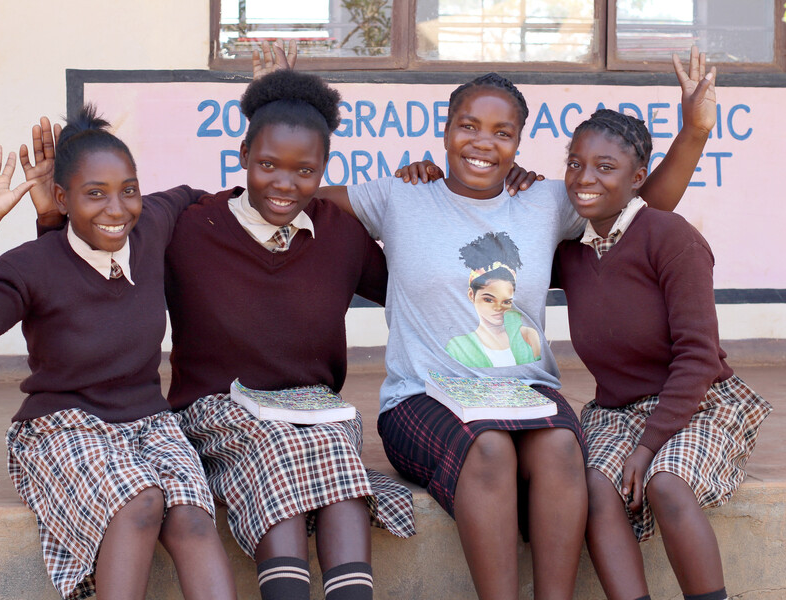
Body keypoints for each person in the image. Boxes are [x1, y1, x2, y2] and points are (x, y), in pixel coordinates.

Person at [306, 48, 718, 600]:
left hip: (526, 392)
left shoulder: (545, 200)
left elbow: (640, 205)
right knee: (492, 449)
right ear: (446, 130)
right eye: (469, 126)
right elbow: (294, 197)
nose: (484, 142)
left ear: (519, 143)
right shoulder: (399, 195)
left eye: (503, 132)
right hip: (421, 397)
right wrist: (282, 106)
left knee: (560, 450)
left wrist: (693, 132)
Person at [22, 53, 416, 600]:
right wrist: (51, 218)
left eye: (306, 171)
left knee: (329, 443)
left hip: (313, 410)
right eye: (267, 165)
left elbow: (421, 290)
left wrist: (434, 198)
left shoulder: (341, 235)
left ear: (325, 171)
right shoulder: (191, 226)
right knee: (280, 445)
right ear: (242, 158)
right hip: (217, 411)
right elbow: (81, 274)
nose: (285, 183)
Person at [0, 109, 237, 600]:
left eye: (128, 190)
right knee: (140, 502)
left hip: (151, 422)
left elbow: (191, 197)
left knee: (192, 518)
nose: (117, 209)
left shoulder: (150, 226)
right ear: (61, 198)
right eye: (94, 193)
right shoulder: (32, 266)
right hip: (61, 425)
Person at [553, 109, 772, 600]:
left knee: (666, 483)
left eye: (604, 167)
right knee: (594, 488)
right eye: (574, 163)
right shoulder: (571, 252)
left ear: (637, 179)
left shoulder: (671, 238)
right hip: (615, 412)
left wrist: (649, 446)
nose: (584, 177)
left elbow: (697, 357)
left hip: (697, 402)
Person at [445, 231, 542, 368]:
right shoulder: (457, 346)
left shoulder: (528, 336)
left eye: (506, 301)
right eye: (488, 300)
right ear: (471, 295)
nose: (498, 308)